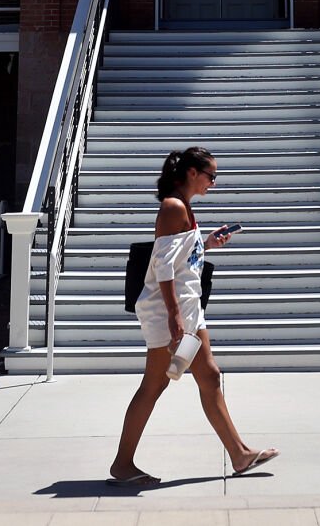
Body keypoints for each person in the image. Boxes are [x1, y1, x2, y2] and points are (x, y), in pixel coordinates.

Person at [108, 146, 278, 485]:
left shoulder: (183, 209)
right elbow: (164, 266)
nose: (213, 183)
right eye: (210, 176)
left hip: (187, 309)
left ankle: (239, 454)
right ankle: (123, 464)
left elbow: (182, 254)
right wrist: (174, 317)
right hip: (172, 312)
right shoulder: (173, 207)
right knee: (157, 385)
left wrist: (208, 243)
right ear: (191, 173)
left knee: (204, 378)